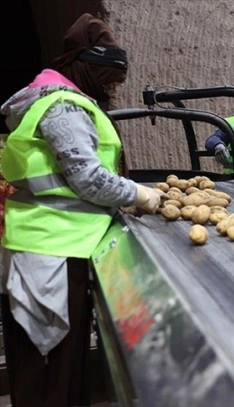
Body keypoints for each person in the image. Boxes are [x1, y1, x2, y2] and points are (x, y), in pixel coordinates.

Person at [0, 13, 164, 406]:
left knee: (61, 364)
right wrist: (140, 195)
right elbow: (87, 178)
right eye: (110, 77)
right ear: (87, 69)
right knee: (49, 368)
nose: (114, 86)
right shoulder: (64, 108)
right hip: (50, 251)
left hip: (58, 245)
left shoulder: (60, 101)